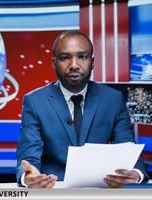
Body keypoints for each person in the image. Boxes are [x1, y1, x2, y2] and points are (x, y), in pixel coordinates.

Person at [16, 30, 149, 188]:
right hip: (53, 190)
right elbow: (29, 154)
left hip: (101, 189)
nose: (74, 65)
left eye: (82, 57)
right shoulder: (34, 101)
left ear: (92, 62)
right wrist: (28, 177)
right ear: (54, 63)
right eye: (65, 58)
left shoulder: (113, 100)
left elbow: (129, 152)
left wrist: (135, 174)